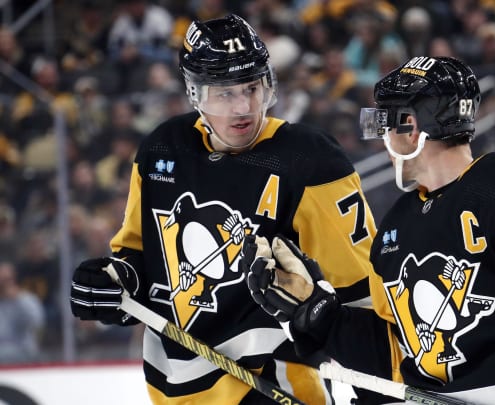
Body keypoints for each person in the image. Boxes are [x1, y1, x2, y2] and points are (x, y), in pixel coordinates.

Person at [243, 56, 495, 404]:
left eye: (388, 122)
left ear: (413, 126)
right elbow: (396, 356)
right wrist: (316, 314)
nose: (381, 138)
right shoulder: (396, 228)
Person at [69, 14, 378, 405]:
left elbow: (364, 296)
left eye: (252, 87)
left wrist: (375, 389)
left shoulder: (310, 159)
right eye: (224, 92)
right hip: (174, 391)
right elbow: (142, 259)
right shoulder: (163, 149)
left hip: (278, 389)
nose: (243, 107)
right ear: (194, 92)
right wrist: (112, 285)